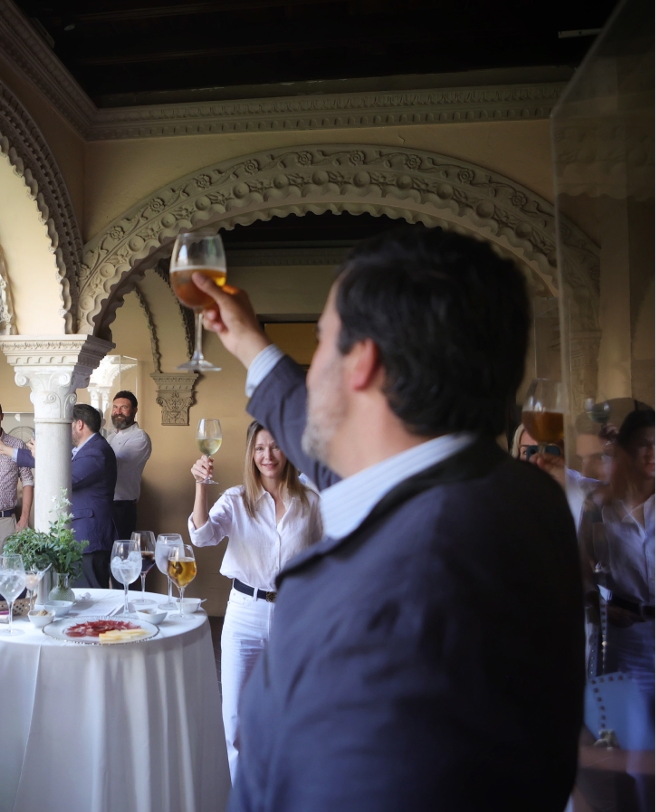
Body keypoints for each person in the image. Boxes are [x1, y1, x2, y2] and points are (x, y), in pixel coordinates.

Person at [193, 226, 584, 811]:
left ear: (363, 362)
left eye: (321, 341)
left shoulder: (389, 599)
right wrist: (252, 344)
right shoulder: (512, 491)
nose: (311, 367)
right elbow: (329, 449)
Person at [188, 421, 322, 781]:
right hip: (244, 615)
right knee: (234, 718)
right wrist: (200, 486)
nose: (268, 456)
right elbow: (202, 536)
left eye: (275, 446)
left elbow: (329, 552)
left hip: (295, 616)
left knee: (293, 711)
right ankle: (241, 795)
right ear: (251, 454)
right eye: (260, 448)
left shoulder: (310, 500)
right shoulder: (236, 499)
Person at [578, 407, 654, 710]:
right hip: (628, 639)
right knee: (628, 727)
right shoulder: (600, 505)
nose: (652, 453)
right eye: (643, 444)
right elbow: (582, 565)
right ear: (627, 450)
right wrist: (599, 604)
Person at [70, 403, 117, 588]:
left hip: (90, 536)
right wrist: (9, 451)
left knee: (92, 596)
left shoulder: (96, 451)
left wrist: (42, 457)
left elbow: (67, 478)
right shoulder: (87, 448)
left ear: (79, 424)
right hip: (85, 535)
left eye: (68, 423)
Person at [0, 399, 34, 561]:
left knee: (10, 569)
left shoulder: (16, 445)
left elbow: (28, 482)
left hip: (4, 521)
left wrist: (24, 518)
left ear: (2, 416)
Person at [107, 390, 152, 540]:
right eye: (115, 407)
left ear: (134, 410)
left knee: (121, 552)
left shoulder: (140, 438)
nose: (118, 412)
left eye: (124, 407)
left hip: (122, 508)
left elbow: (113, 467)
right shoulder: (111, 437)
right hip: (105, 504)